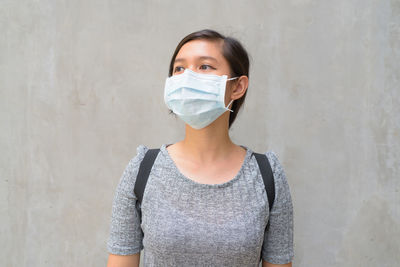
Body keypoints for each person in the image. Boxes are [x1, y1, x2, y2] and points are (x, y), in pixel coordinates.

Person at [106, 29, 294, 267]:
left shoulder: (268, 175)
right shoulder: (143, 169)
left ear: (237, 87)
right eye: (179, 68)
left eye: (204, 67)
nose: (187, 77)